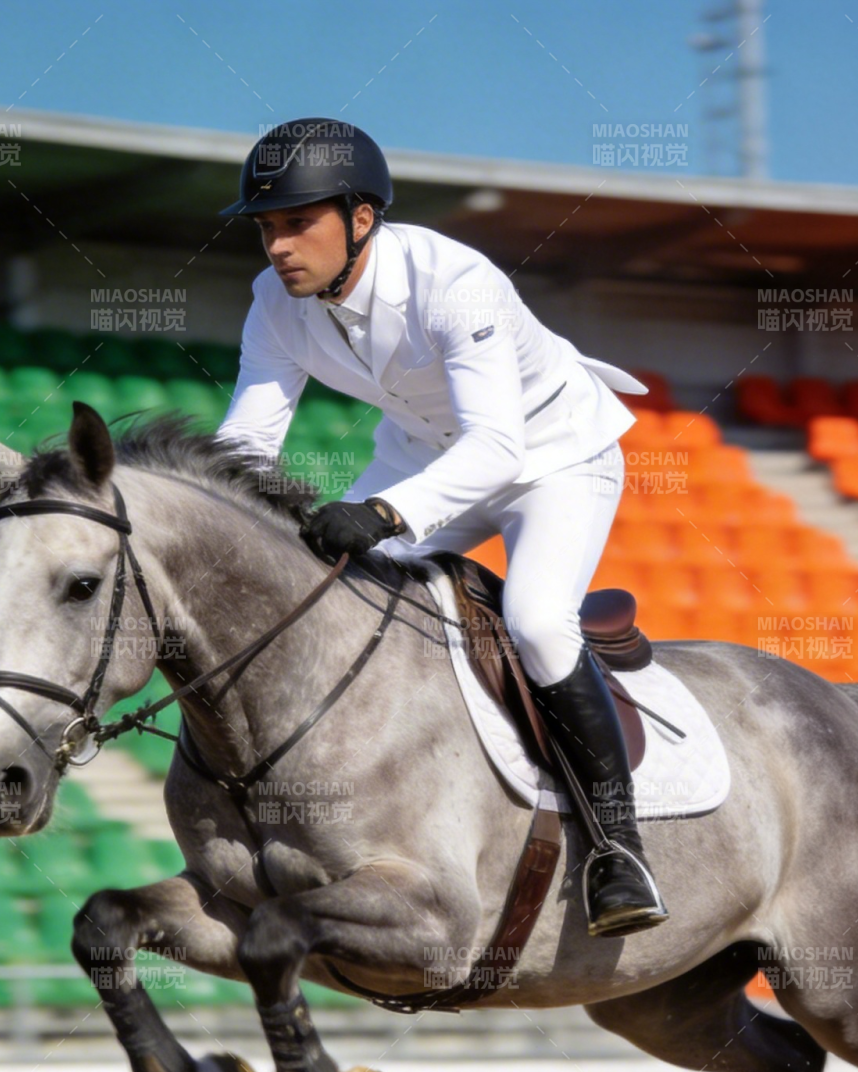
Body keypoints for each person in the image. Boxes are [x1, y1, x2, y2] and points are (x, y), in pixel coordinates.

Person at [214, 118, 666, 937]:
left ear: (360, 218)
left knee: (534, 619)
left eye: (295, 222)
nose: (277, 247)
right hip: (421, 458)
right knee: (325, 598)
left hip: (551, 457)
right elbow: (246, 443)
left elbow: (498, 446)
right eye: (266, 227)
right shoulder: (273, 305)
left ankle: (617, 848)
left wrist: (383, 514)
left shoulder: (455, 279)